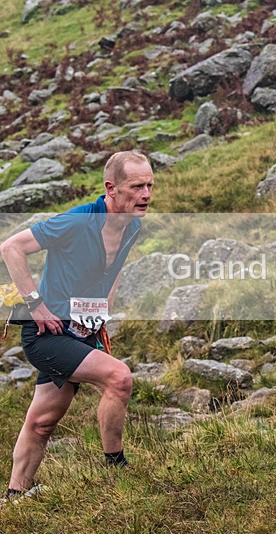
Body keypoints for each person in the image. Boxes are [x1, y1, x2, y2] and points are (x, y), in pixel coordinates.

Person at [0, 151, 153, 500]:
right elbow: (11, 248)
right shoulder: (77, 221)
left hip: (83, 332)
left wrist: (103, 309)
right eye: (137, 186)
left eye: (149, 185)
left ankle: (14, 495)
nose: (145, 194)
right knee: (120, 378)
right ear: (111, 188)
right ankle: (116, 467)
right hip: (47, 333)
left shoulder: (132, 224)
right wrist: (35, 305)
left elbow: (112, 269)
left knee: (42, 422)